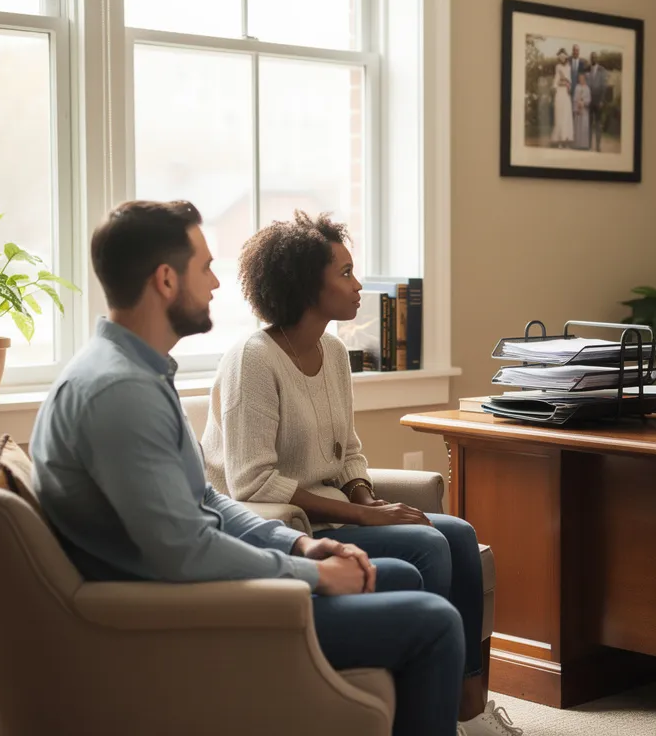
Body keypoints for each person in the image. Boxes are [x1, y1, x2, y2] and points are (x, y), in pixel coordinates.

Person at [29, 200, 466, 736]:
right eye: (205, 267)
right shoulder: (120, 392)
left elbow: (207, 501)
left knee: (400, 575)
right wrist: (313, 574)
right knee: (434, 622)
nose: (217, 283)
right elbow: (185, 552)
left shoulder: (138, 375)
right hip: (184, 617)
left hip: (197, 588)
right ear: (166, 280)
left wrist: (300, 545)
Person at [201, 210, 522, 736]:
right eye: (346, 273)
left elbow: (348, 448)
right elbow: (251, 482)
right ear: (307, 285)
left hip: (338, 510)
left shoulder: (332, 350)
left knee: (459, 535)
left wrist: (366, 497)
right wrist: (360, 516)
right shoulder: (253, 359)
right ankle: (426, 705)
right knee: (429, 545)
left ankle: (467, 706)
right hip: (291, 524)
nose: (359, 286)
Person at [551, 49, 574, 148]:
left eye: (564, 57)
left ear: (566, 57)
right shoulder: (558, 67)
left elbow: (570, 81)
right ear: (559, 58)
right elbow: (555, 83)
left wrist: (567, 84)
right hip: (559, 94)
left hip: (566, 94)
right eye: (561, 57)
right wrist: (561, 83)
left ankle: (566, 140)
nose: (562, 59)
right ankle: (560, 141)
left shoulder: (569, 67)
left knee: (566, 117)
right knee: (559, 116)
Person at [587, 51, 610, 151]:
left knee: (598, 124)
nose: (593, 59)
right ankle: (588, 145)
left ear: (597, 59)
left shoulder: (602, 70)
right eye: (592, 57)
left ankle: (598, 145)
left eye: (595, 57)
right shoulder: (587, 69)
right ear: (590, 59)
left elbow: (604, 86)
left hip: (598, 101)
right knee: (589, 123)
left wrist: (601, 100)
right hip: (589, 100)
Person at [573, 72, 591, 150]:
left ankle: (584, 145)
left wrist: (583, 103)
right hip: (578, 109)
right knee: (577, 127)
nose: (581, 80)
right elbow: (575, 98)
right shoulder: (577, 87)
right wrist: (577, 105)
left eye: (582, 78)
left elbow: (589, 99)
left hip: (584, 110)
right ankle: (577, 144)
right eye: (580, 78)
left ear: (584, 79)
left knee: (584, 127)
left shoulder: (587, 88)